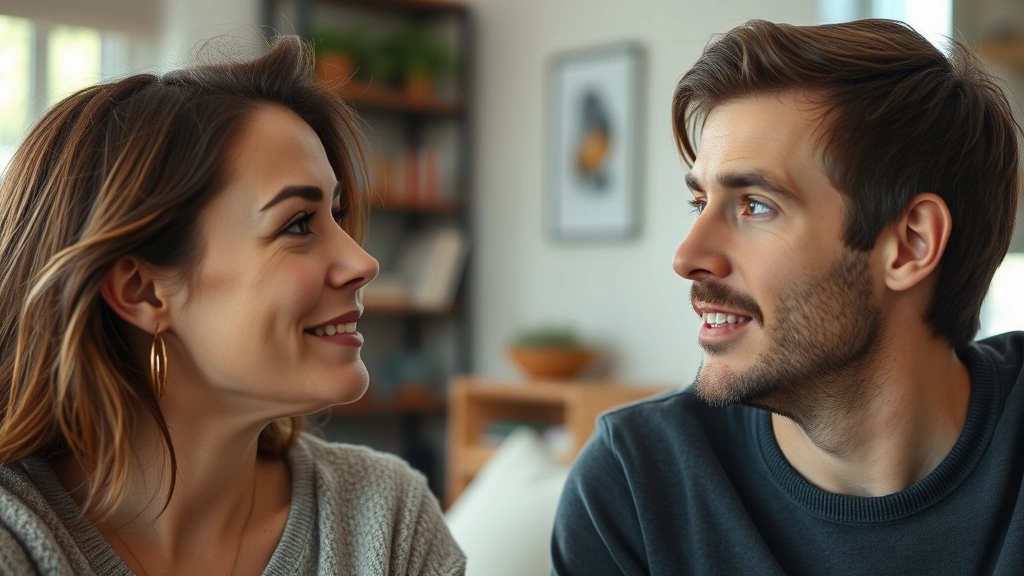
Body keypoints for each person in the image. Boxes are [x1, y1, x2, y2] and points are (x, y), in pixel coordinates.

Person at [551, 19, 1023, 575]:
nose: (687, 257)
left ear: (909, 245)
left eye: (755, 206)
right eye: (700, 203)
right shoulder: (635, 486)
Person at [0, 36, 466, 575]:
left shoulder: (387, 521)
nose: (363, 262)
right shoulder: (16, 539)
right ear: (142, 291)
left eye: (337, 215)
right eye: (297, 224)